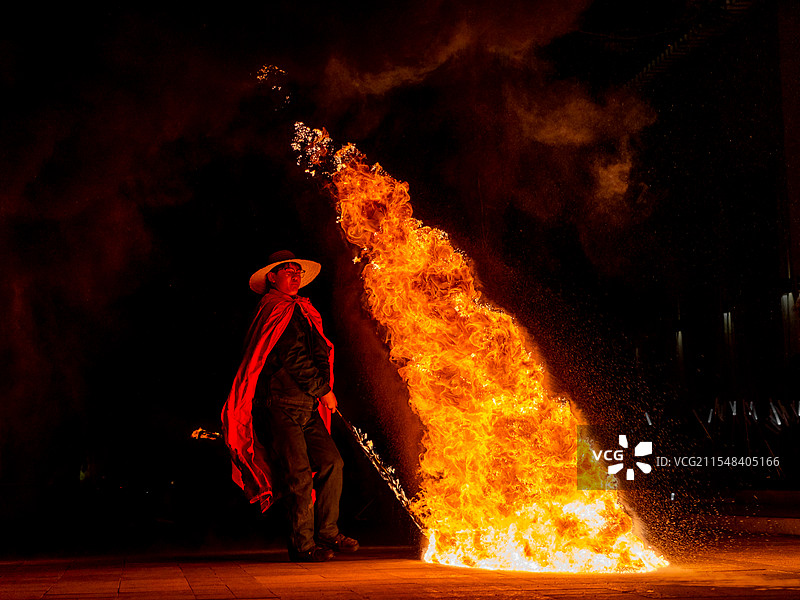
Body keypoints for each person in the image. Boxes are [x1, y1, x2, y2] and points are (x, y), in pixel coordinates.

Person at [222, 250, 359, 562]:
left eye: (298, 271)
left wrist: (323, 389)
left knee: (331, 462)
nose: (296, 276)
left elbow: (320, 351)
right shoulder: (274, 309)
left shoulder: (304, 310)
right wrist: (322, 389)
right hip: (280, 404)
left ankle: (327, 533)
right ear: (273, 277)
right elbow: (292, 354)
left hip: (307, 405)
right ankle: (303, 545)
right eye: (288, 271)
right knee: (298, 475)